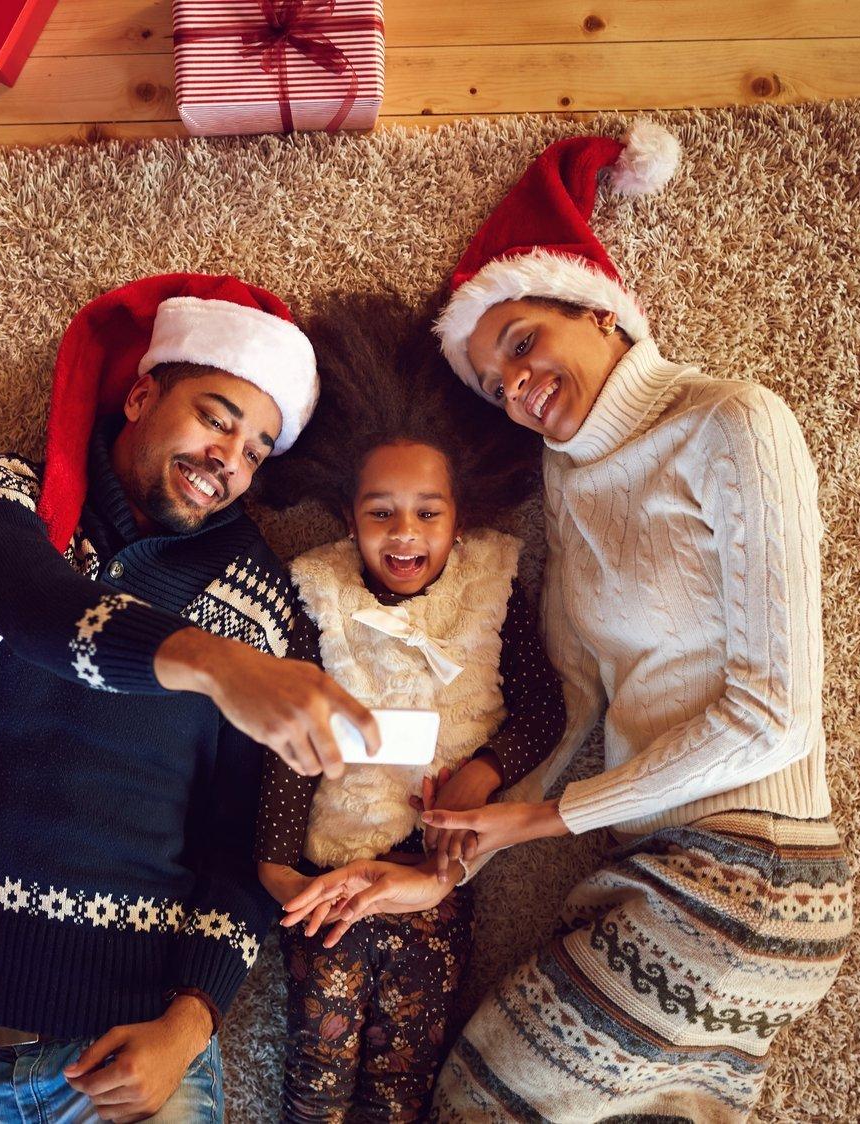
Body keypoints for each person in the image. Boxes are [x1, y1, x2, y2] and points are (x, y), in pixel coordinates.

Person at [281, 125, 855, 1122]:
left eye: (519, 342)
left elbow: (774, 719)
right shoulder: (566, 486)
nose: (515, 385)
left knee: (476, 1099)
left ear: (598, 309)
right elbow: (579, 714)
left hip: (749, 874)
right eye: (493, 382)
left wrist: (545, 818)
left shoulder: (732, 421)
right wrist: (445, 861)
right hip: (642, 866)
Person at [0, 273, 380, 1123]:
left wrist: (190, 1025)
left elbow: (236, 847)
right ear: (139, 394)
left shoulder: (261, 606)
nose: (227, 463)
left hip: (140, 1061)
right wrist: (210, 664)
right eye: (215, 419)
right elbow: (31, 607)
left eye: (256, 451)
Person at [250, 301, 566, 1122]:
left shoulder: (493, 584)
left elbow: (540, 708)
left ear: (459, 517)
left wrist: (481, 777)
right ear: (347, 519)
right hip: (326, 877)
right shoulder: (314, 593)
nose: (404, 533)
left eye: (427, 511)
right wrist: (278, 869)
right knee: (315, 1079)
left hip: (436, 876)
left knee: (400, 1080)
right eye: (379, 512)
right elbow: (285, 742)